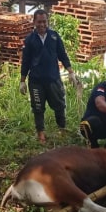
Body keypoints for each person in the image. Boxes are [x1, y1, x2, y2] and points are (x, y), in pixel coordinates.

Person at [19, 9, 79, 143]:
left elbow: (63, 55)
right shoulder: (30, 40)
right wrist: (22, 81)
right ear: (34, 22)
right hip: (36, 81)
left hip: (53, 79)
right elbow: (26, 61)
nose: (42, 24)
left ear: (48, 21)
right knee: (38, 108)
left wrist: (71, 72)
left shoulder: (54, 37)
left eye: (44, 21)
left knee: (59, 105)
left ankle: (62, 130)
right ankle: (41, 134)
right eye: (39, 22)